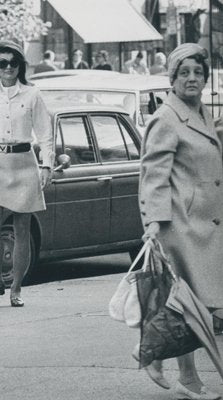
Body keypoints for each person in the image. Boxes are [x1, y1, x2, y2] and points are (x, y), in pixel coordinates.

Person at [139, 42, 223, 400]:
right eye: (184, 73)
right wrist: (154, 222)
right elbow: (153, 173)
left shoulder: (202, 112)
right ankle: (187, 378)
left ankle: (153, 353)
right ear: (171, 78)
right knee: (191, 304)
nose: (192, 79)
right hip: (181, 226)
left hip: (208, 224)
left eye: (198, 73)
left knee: (194, 304)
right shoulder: (167, 117)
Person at [0, 40, 54, 307]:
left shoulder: (33, 94)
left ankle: (17, 288)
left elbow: (45, 133)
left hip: (23, 163)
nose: (8, 68)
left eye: (13, 63)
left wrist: (46, 165)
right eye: (3, 63)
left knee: (22, 228)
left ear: (20, 66)